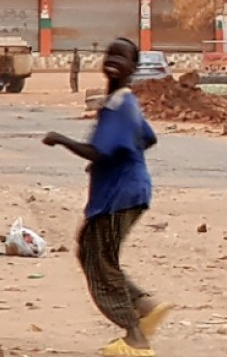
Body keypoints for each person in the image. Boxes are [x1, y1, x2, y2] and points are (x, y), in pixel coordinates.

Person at [42, 37, 172, 357]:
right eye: (110, 54)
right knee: (93, 252)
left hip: (119, 196)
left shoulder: (117, 105)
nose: (113, 59)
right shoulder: (123, 102)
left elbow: (99, 150)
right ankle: (144, 305)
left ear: (133, 67)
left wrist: (61, 139)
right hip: (125, 191)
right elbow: (148, 138)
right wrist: (120, 158)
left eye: (122, 56)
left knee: (100, 260)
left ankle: (135, 336)